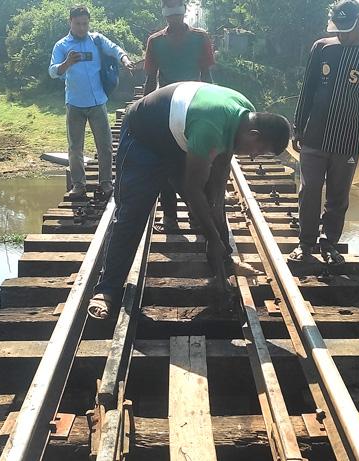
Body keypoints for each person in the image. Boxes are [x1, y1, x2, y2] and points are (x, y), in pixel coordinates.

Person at [87, 82, 291, 319]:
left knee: (214, 204)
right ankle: (107, 290)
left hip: (179, 137)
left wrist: (215, 215)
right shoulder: (210, 128)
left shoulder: (244, 114)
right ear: (253, 134)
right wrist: (212, 237)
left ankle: (223, 267)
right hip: (143, 137)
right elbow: (191, 189)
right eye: (259, 150)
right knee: (132, 214)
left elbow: (218, 179)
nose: (255, 157)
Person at [291, 0, 359, 264]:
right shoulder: (322, 48)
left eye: (348, 28)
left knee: (338, 195)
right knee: (309, 191)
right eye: (339, 27)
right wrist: (298, 127)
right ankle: (305, 243)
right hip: (314, 135)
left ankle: (329, 244)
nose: (342, 33)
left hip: (347, 139)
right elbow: (308, 90)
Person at [143, 0, 216, 233]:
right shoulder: (156, 42)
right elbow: (149, 81)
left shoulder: (200, 38)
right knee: (169, 164)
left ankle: (192, 215)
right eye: (170, 16)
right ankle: (171, 217)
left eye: (176, 14)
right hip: (170, 109)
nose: (173, 19)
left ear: (183, 13)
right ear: (165, 16)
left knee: (195, 164)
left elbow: (206, 76)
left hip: (192, 108)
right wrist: (144, 111)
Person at [49, 5, 135, 198]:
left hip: (97, 102)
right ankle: (78, 185)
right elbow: (53, 71)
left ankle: (105, 183)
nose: (82, 28)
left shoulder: (96, 40)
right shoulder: (61, 46)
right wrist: (66, 63)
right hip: (74, 104)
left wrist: (125, 59)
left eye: (85, 24)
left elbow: (114, 49)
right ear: (70, 22)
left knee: (104, 145)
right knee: (75, 147)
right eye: (78, 24)